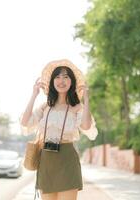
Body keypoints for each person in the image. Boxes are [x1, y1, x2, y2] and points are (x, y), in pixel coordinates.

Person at [20, 59, 98, 200]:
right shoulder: (45, 107)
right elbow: (25, 122)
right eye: (57, 77)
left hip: (67, 159)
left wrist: (86, 100)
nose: (61, 80)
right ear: (52, 82)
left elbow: (86, 126)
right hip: (46, 160)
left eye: (66, 77)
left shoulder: (76, 108)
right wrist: (34, 94)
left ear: (72, 82)